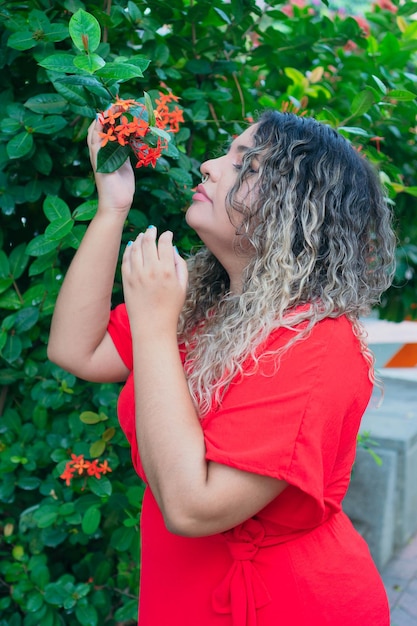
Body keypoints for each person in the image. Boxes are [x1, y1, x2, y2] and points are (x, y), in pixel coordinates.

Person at [48, 110, 396, 626]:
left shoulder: (319, 343)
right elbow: (75, 350)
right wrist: (112, 207)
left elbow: (194, 507)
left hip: (286, 605)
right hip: (187, 589)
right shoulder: (205, 301)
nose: (210, 166)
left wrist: (152, 327)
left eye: (247, 165)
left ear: (297, 210)